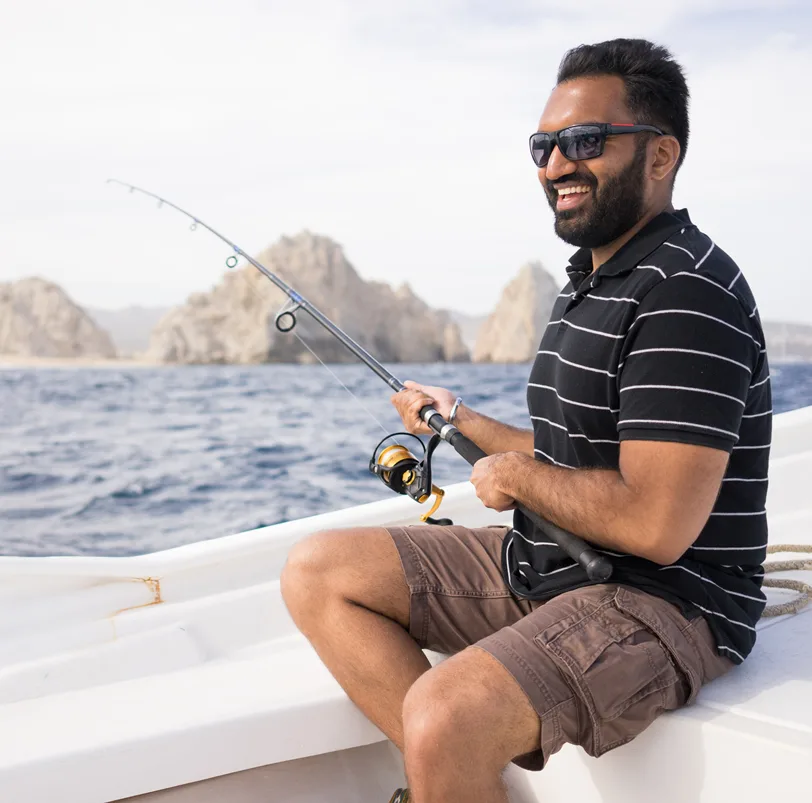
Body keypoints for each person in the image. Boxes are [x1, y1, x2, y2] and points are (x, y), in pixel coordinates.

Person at [281, 38, 772, 803]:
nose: (554, 165)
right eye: (543, 146)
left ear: (661, 155)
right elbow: (579, 451)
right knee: (318, 573)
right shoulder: (597, 278)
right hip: (557, 561)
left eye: (584, 142)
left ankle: (448, 765)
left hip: (668, 600)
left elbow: (655, 525)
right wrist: (464, 420)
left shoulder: (685, 293)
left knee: (442, 713)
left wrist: (514, 475)